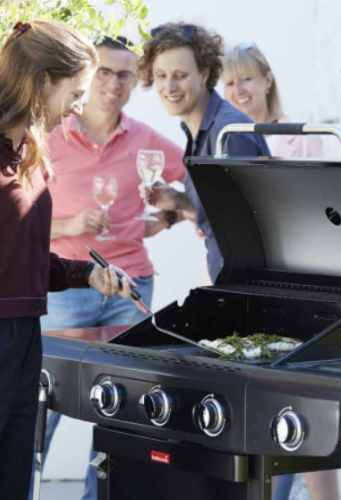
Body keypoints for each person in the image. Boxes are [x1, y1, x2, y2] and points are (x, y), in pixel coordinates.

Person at [28, 35, 185, 500]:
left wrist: (170, 217)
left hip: (131, 286)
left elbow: (194, 180)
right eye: (104, 72)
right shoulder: (50, 134)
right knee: (45, 403)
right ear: (86, 74)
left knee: (122, 411)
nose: (114, 84)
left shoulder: (147, 141)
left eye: (124, 74)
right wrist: (72, 222)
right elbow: (21, 222)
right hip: (65, 288)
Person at [0, 20, 144, 500]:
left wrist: (87, 273)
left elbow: (22, 261)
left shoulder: (30, 155)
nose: (82, 105)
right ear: (42, 81)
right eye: (76, 91)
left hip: (23, 337)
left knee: (15, 476)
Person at [222, 42, 338, 500]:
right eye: (229, 83)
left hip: (310, 290)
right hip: (255, 291)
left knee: (305, 419)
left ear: (268, 79)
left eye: (246, 79)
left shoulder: (310, 136)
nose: (238, 90)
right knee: (265, 420)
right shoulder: (229, 140)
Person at [137, 22, 270, 285]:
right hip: (226, 274)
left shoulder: (228, 133)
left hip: (246, 285)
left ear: (204, 74)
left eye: (180, 75)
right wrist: (180, 201)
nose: (169, 87)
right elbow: (222, 212)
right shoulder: (198, 128)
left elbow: (247, 226)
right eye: (161, 76)